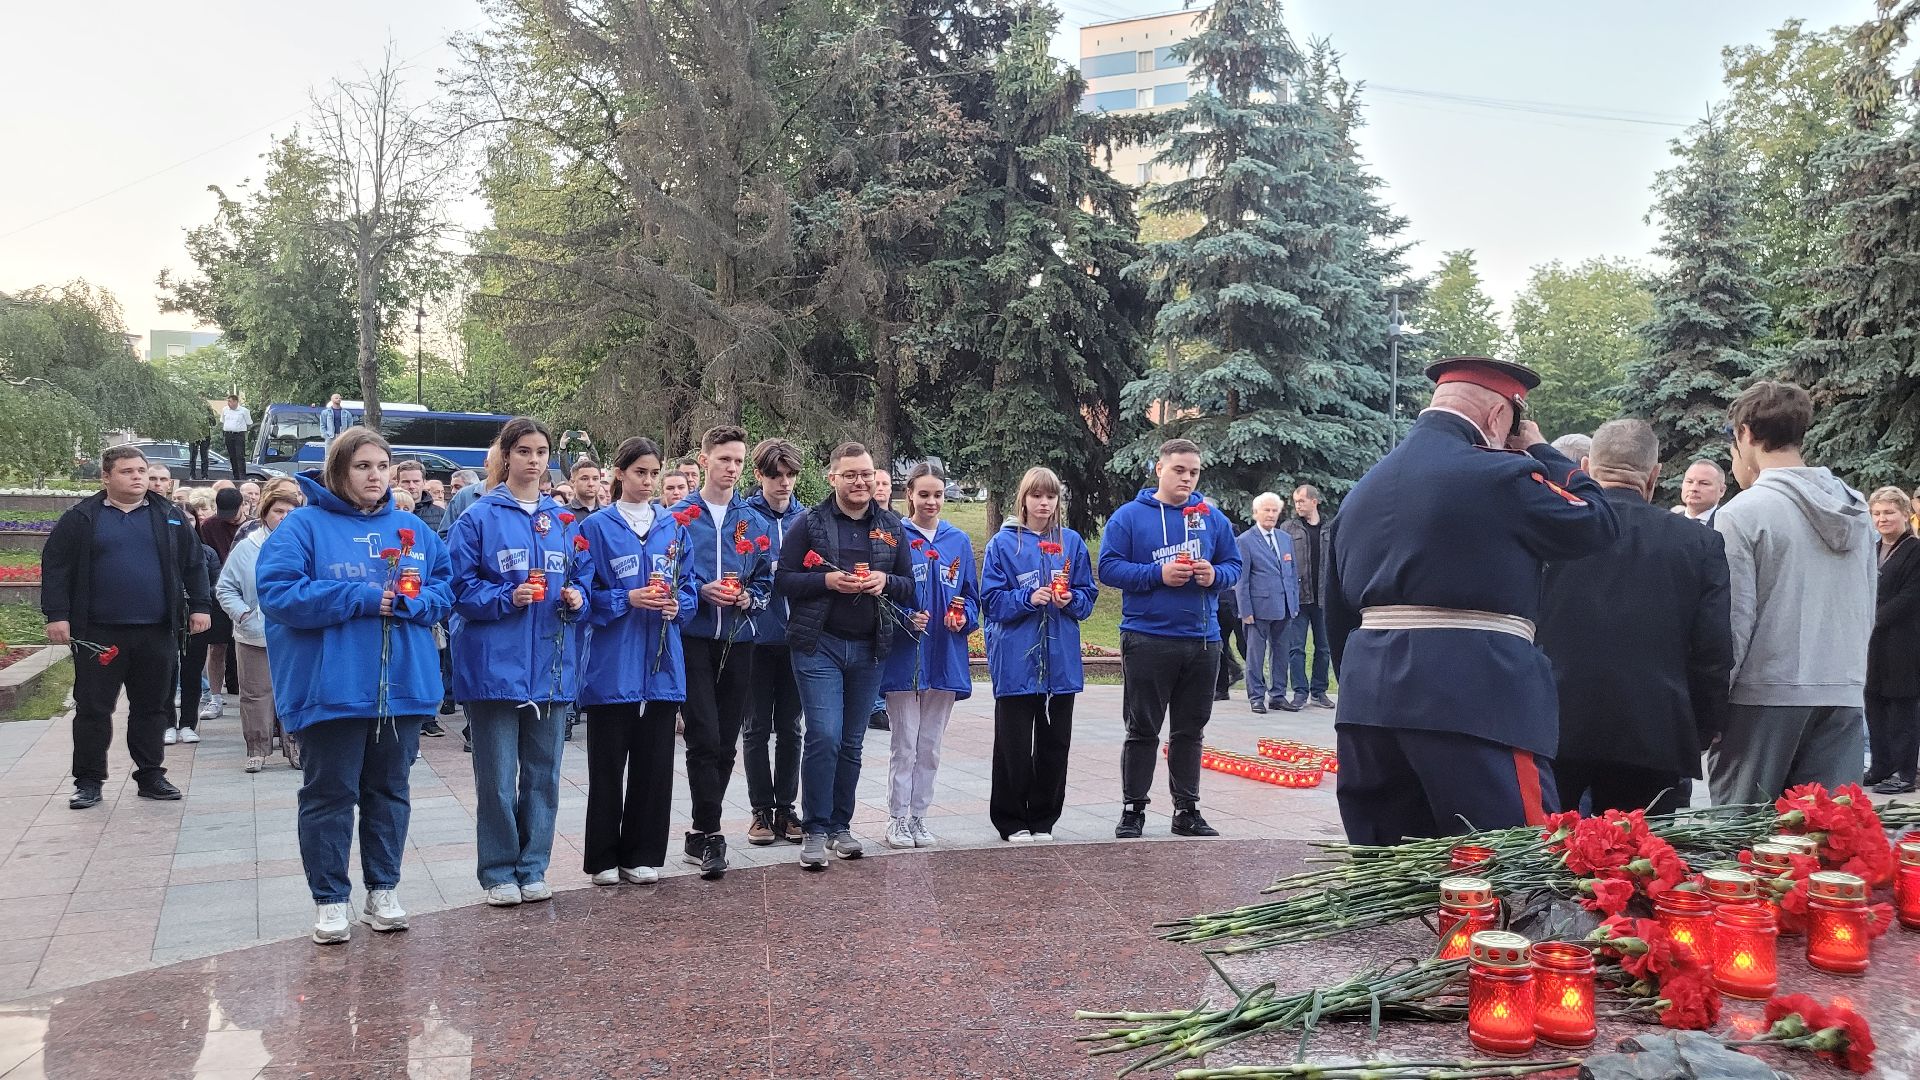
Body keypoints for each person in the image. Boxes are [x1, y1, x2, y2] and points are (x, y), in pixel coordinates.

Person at [1326, 356, 1617, 845]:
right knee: (1512, 864)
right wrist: (1543, 449)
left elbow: (1339, 614)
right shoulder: (1500, 476)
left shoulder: (1364, 489)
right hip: (1477, 699)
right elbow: (1596, 521)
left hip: (1367, 706)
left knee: (1393, 876)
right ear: (1499, 417)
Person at [255, 426, 452, 944]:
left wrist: (415, 602)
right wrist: (363, 596)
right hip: (331, 687)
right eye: (363, 466)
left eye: (382, 466)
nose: (374, 475)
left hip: (401, 687)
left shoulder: (413, 529)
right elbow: (279, 593)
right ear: (338, 471)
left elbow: (445, 588)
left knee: (389, 791)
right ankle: (329, 900)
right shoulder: (302, 525)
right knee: (330, 794)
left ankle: (383, 888)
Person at [1537, 420, 1731, 815]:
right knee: (1639, 864)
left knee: (1544, 860)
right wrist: (1704, 726)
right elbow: (1712, 646)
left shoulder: (1549, 533)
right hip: (1654, 731)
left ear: (1588, 468)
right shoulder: (1697, 542)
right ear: (1655, 474)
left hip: (1554, 724)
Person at [1709, 380, 1876, 804]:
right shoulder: (1855, 507)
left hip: (1764, 694)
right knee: (1825, 844)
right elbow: (1867, 603)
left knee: (1743, 848)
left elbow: (1734, 621)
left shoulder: (1744, 512)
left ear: (1745, 433)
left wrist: (1710, 707)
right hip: (1842, 688)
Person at [447, 418, 585, 907]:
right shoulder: (478, 517)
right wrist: (508, 596)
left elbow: (583, 578)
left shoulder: (564, 520)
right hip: (494, 668)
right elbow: (458, 589)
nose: (534, 460)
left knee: (544, 776)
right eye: (524, 451)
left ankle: (534, 866)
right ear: (505, 456)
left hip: (551, 666)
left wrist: (576, 597)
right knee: (499, 778)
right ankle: (499, 870)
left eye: (542, 451)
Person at [42, 445, 211, 809]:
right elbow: (56, 568)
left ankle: (151, 775)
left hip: (156, 630)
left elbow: (194, 564)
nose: (138, 477)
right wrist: (57, 615)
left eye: (142, 470)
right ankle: (88, 780)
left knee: (153, 706)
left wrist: (200, 606)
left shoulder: (169, 515)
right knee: (93, 709)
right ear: (106, 477)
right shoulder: (82, 518)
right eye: (128, 471)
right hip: (98, 635)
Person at [778, 441, 916, 870]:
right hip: (820, 644)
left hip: (870, 648)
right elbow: (782, 579)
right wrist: (827, 583)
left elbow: (909, 586)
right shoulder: (810, 522)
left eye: (867, 474)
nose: (860, 482)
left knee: (852, 742)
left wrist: (883, 581)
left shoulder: (891, 525)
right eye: (850, 474)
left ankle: (842, 826)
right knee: (824, 734)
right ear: (832, 477)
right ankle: (815, 828)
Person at [1098, 438, 1243, 839]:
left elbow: (1234, 565)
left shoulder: (1211, 518)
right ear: (1160, 468)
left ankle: (1187, 810)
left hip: (1202, 639)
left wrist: (1215, 576)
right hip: (1147, 636)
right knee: (1143, 727)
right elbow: (1108, 568)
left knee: (1190, 730)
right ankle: (1133, 809)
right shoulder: (1129, 517)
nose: (1187, 478)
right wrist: (1155, 575)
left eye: (1194, 472)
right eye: (1180, 470)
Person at [576, 437, 692, 885]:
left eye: (653, 473)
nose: (647, 482)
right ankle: (603, 857)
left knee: (654, 766)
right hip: (612, 667)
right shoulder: (596, 528)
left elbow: (690, 586)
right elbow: (583, 596)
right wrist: (626, 598)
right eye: (639, 472)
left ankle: (643, 853)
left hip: (661, 667)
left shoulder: (673, 528)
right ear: (618, 473)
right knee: (606, 767)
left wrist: (677, 605)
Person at [669, 424, 775, 879]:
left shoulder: (753, 519)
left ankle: (700, 831)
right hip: (693, 637)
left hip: (739, 639)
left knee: (727, 740)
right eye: (723, 459)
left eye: (738, 461)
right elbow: (667, 575)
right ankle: (711, 833)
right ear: (704, 459)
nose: (731, 469)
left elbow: (767, 580)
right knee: (704, 737)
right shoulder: (678, 516)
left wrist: (751, 598)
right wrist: (699, 589)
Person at [983, 466, 1096, 842]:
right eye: (1037, 496)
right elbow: (991, 601)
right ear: (1024, 499)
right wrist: (1027, 598)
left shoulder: (1072, 542)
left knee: (1055, 742)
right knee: (1014, 744)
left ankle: (1044, 817)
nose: (1044, 503)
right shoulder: (1003, 544)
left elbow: (1087, 595)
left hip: (1059, 660)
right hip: (1017, 658)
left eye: (1051, 496)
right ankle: (1011, 818)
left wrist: (1070, 599)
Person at [878, 463, 978, 849]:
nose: (931, 501)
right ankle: (897, 818)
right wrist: (906, 617)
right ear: (909, 495)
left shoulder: (957, 541)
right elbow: (883, 593)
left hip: (944, 655)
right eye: (924, 494)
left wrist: (963, 617)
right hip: (906, 656)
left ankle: (920, 816)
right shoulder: (894, 537)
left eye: (938, 494)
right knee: (904, 743)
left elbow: (971, 596)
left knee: (931, 745)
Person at [744, 437, 808, 846]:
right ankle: (760, 812)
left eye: (790, 475)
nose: (783, 483)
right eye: (775, 475)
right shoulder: (746, 518)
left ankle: (786, 808)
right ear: (760, 476)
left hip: (798, 638)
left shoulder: (809, 520)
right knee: (754, 728)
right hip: (756, 637)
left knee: (791, 727)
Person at [217, 478, 305, 772]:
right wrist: (243, 614)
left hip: (295, 632)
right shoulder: (247, 547)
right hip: (255, 633)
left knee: (293, 691)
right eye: (279, 511)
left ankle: (296, 746)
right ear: (266, 512)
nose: (285, 517)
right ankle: (257, 748)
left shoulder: (307, 545)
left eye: (291, 512)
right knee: (256, 693)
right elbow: (225, 588)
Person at [1865, 487, 1920, 794]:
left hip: (1904, 640)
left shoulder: (1915, 550)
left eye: (1888, 512)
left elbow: (1911, 596)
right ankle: (1881, 766)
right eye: (1877, 513)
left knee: (1902, 707)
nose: (1882, 519)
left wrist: (1873, 618)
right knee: (1874, 702)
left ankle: (1904, 772)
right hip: (1874, 643)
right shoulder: (1872, 549)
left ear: (1904, 514)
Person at [1234, 492, 1301, 715]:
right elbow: (1241, 579)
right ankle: (1256, 696)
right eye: (1267, 510)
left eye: (1274, 511)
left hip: (1284, 607)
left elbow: (1291, 573)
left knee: (1281, 653)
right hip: (1258, 609)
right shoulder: (1245, 541)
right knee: (1256, 654)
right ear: (1256, 513)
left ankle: (1278, 695)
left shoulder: (1284, 539)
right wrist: (1245, 610)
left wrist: (1293, 602)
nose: (1271, 515)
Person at [1280, 485, 1335, 711]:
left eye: (1301, 501)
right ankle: (1300, 692)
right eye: (1295, 501)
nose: (1297, 505)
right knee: (1296, 648)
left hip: (1324, 598)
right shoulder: (1288, 528)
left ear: (1315, 501)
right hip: (1299, 597)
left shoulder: (1330, 528)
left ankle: (1319, 691)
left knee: (1324, 648)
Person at [197, 487, 246, 723]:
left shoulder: (252, 527)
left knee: (248, 648)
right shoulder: (209, 526)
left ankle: (253, 698)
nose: (229, 518)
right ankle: (215, 697)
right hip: (220, 593)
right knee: (217, 647)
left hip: (248, 595)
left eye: (233, 514)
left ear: (243, 506)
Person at [868, 469, 897, 731]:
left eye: (885, 484)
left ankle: (880, 703)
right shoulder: (865, 521)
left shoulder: (898, 524)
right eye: (875, 482)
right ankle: (874, 707)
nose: (880, 488)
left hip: (891, 596)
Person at [1673, 460, 1727, 526]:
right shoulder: (1670, 524)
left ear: (1721, 490)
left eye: (1704, 483)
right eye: (1689, 482)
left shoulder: (1727, 525)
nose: (1693, 488)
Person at [220, 394, 252, 483]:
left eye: (230, 401)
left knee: (239, 456)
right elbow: (222, 421)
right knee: (232, 456)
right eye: (228, 401)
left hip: (239, 435)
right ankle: (235, 476)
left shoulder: (244, 411)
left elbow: (249, 423)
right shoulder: (225, 410)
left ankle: (242, 477)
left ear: (235, 402)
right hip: (228, 434)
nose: (228, 403)